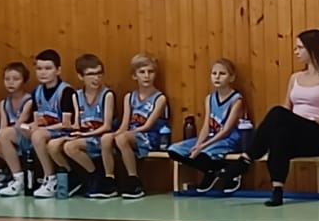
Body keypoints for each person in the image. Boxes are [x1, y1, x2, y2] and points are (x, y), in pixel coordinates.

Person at [217, 30, 319, 206]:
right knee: (279, 133)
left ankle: (246, 159)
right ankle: (277, 190)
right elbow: (286, 110)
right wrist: (290, 122)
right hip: (294, 132)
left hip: (315, 134)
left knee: (278, 113)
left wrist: (310, 120)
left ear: (312, 49)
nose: (296, 52)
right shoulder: (295, 78)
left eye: (300, 48)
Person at [168, 59, 247, 187]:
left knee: (203, 154)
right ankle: (213, 170)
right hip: (211, 137)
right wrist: (198, 145)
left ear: (231, 78)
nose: (217, 77)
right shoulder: (210, 98)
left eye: (222, 74)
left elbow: (226, 130)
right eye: (214, 73)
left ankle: (226, 171)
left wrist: (202, 147)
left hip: (229, 140)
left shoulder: (236, 100)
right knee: (174, 150)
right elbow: (206, 125)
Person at [106, 54, 169, 199]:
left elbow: (147, 125)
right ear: (134, 76)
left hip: (151, 136)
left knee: (122, 139)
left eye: (150, 72)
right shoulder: (129, 97)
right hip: (132, 134)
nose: (146, 76)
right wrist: (114, 134)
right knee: (106, 139)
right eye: (142, 72)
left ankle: (134, 180)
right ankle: (109, 180)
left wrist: (125, 134)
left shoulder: (160, 98)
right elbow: (124, 124)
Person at [55, 54, 116, 198]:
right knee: (54, 145)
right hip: (85, 136)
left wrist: (84, 135)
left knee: (70, 147)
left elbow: (107, 126)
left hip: (100, 136)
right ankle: (76, 178)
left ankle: (96, 176)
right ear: (80, 76)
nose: (96, 78)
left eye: (99, 73)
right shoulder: (76, 95)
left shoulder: (107, 95)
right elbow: (77, 123)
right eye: (91, 74)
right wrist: (69, 132)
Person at [25, 49, 77, 198]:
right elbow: (37, 119)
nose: (43, 72)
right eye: (39, 68)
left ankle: (51, 178)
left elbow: (67, 124)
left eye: (48, 68)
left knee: (38, 135)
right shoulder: (37, 92)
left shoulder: (66, 91)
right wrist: (30, 126)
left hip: (65, 131)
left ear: (58, 70)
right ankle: (19, 178)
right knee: (24, 132)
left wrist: (41, 128)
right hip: (47, 130)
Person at [0, 62, 35, 197]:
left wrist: (0, 137)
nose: (11, 82)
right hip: (8, 137)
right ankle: (3, 172)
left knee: (3, 136)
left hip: (25, 136)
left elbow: (19, 125)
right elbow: (2, 127)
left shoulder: (29, 100)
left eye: (16, 79)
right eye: (7, 79)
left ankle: (18, 179)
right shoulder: (3, 103)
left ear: (24, 81)